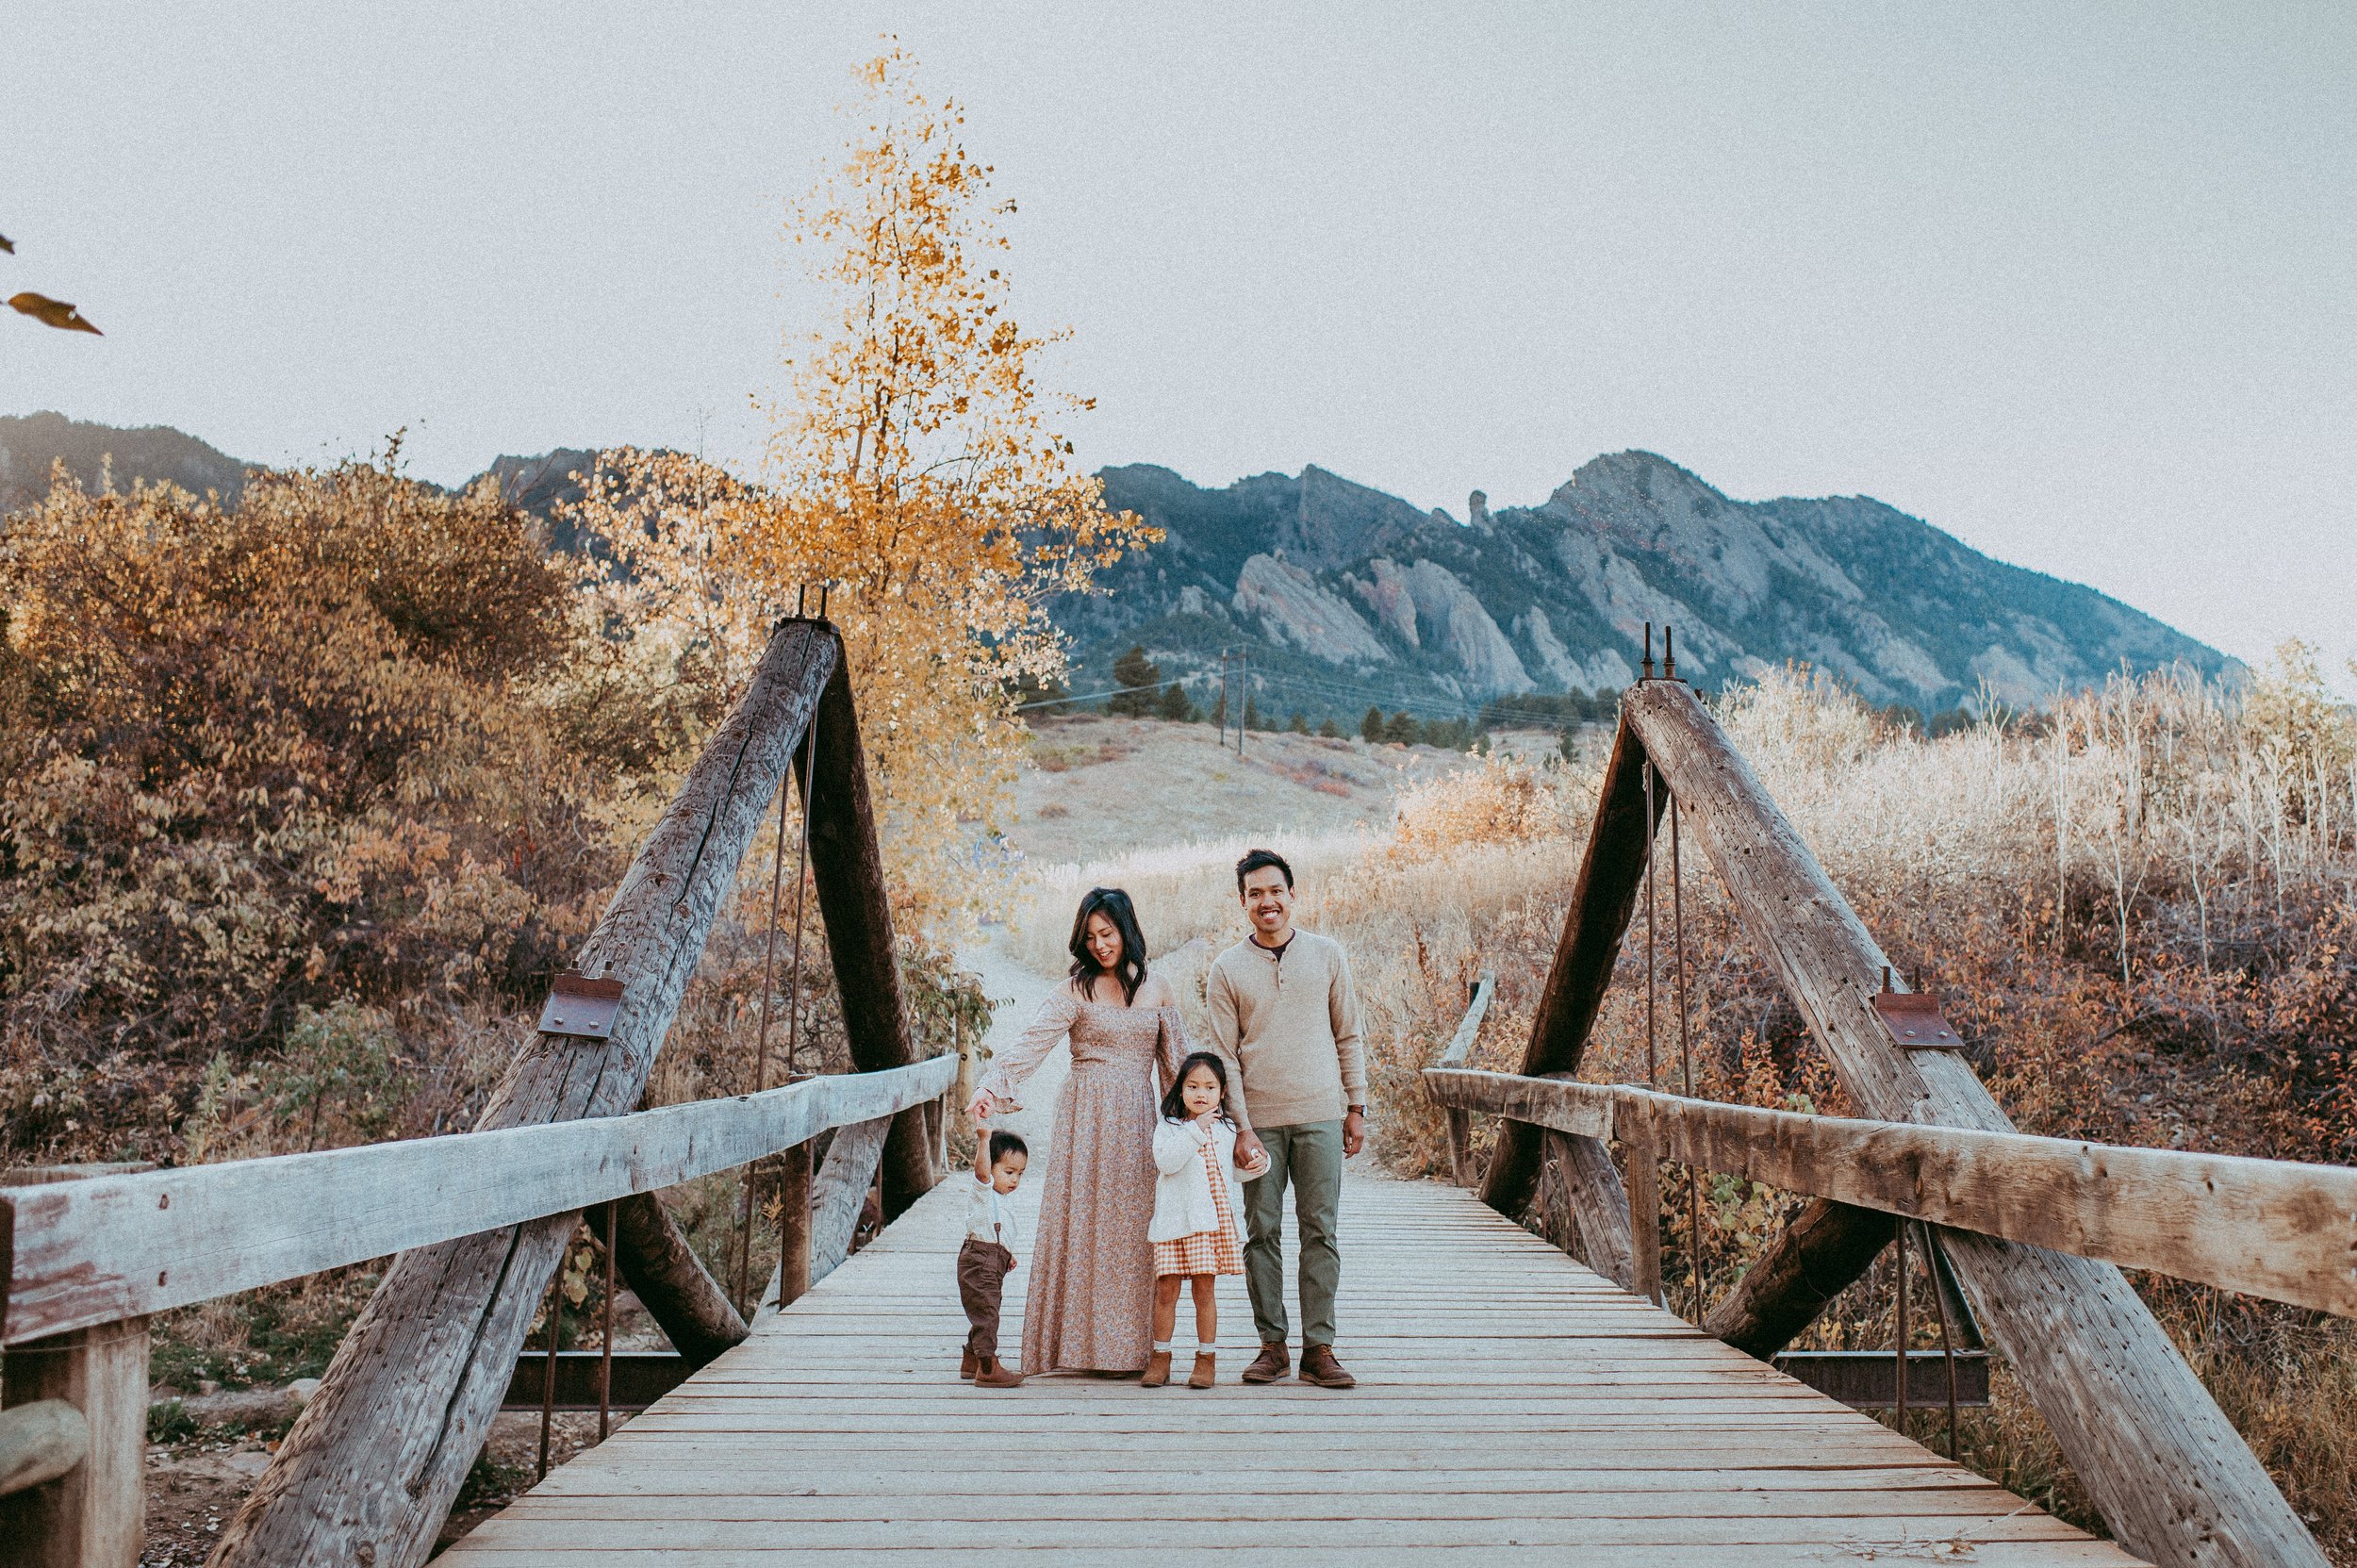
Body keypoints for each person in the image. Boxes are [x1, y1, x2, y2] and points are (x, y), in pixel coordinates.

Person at [968, 887, 1192, 1375]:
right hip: (1083, 1120)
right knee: (1083, 1227)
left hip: (1136, 1121)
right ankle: (1076, 1347)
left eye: (1107, 933)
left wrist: (1200, 1133)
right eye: (1090, 936)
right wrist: (991, 1087)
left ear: (1126, 930)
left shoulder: (1158, 989)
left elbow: (1177, 1070)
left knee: (1134, 1231)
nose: (1099, 945)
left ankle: (1134, 1350)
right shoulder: (1075, 989)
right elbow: (1033, 1043)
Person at [1206, 848, 1366, 1389]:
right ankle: (1271, 1345)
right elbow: (1225, 1057)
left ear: (1292, 895)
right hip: (1260, 1123)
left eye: (1276, 891)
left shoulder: (1327, 955)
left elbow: (1348, 1034)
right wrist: (1241, 1127)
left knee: (1321, 1231)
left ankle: (1319, 1347)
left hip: (1322, 1113)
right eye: (1255, 894)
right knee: (1262, 1232)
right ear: (1243, 902)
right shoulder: (1227, 968)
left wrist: (1356, 1106)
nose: (1267, 902)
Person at [1145, 1052, 1252, 1390]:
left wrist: (1254, 1165)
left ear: (1222, 1093)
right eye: (1193, 1086)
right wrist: (1195, 1129)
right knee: (1166, 1290)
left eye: (1210, 1087)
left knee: (1205, 1290)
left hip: (1208, 1223)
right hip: (1175, 1222)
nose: (1201, 1094)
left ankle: (1206, 1358)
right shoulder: (1171, 1127)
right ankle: (1160, 1357)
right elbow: (1167, 1162)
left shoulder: (1227, 1128)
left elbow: (1227, 1172)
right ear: (1180, 1090)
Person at [959, 1126, 1029, 1389]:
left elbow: (1001, 1230)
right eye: (1008, 1172)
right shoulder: (984, 1191)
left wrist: (1007, 1255)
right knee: (987, 1312)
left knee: (985, 1308)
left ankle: (971, 1359)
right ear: (991, 1169)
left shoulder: (1002, 1199)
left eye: (1020, 1174)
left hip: (993, 1258)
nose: (1015, 1180)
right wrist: (984, 1141)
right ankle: (987, 1367)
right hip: (980, 1258)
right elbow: (980, 1172)